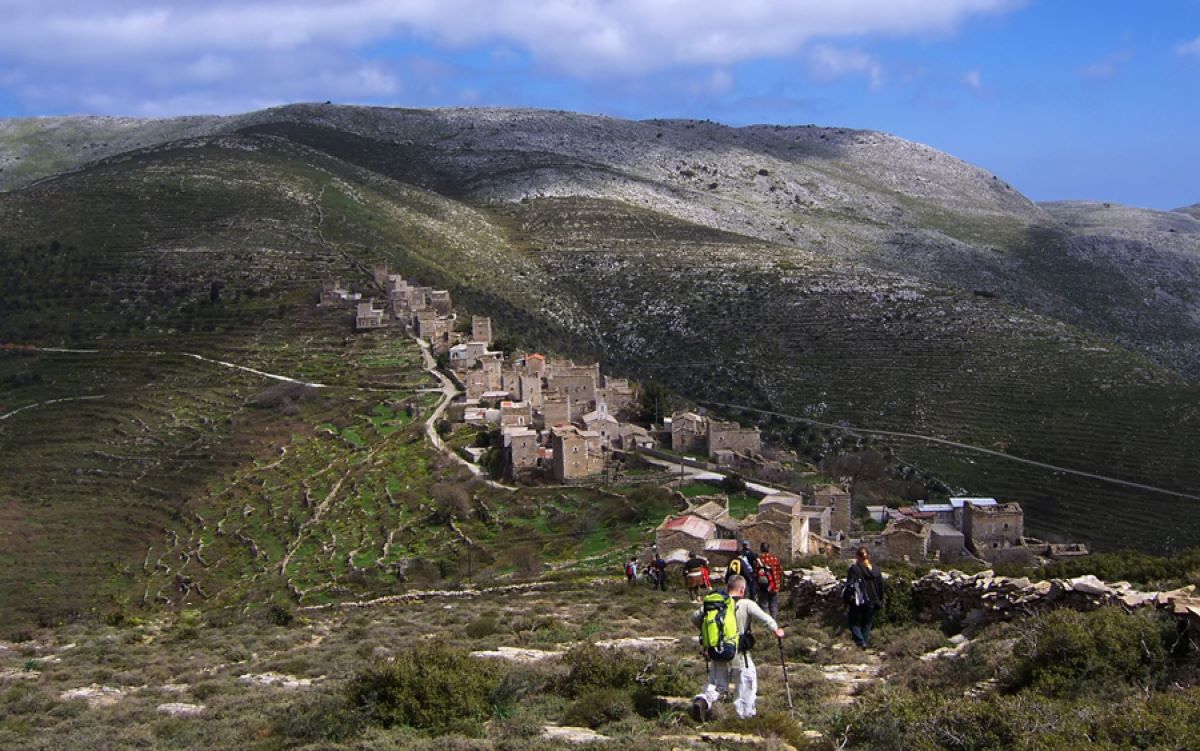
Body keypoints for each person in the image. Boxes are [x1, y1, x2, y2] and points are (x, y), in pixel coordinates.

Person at [691, 574, 784, 721]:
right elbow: (765, 618)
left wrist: (709, 634)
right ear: (742, 589)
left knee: (717, 685)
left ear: (728, 588)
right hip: (739, 654)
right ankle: (743, 717)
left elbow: (695, 618)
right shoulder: (746, 604)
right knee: (746, 683)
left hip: (717, 650)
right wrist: (777, 630)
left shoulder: (715, 603)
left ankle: (703, 701)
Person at [844, 546, 884, 648]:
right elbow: (880, 586)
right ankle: (864, 644)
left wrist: (846, 599)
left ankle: (860, 642)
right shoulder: (876, 569)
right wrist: (880, 600)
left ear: (857, 556)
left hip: (859, 600)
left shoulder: (854, 569)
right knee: (867, 624)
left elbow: (850, 585)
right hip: (873, 600)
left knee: (853, 621)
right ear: (868, 556)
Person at [755, 542, 784, 618]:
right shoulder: (774, 558)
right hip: (774, 585)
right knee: (773, 603)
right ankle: (773, 619)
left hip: (763, 585)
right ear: (768, 549)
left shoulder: (759, 560)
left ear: (761, 549)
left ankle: (766, 621)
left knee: (763, 604)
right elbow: (780, 571)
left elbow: (755, 573)